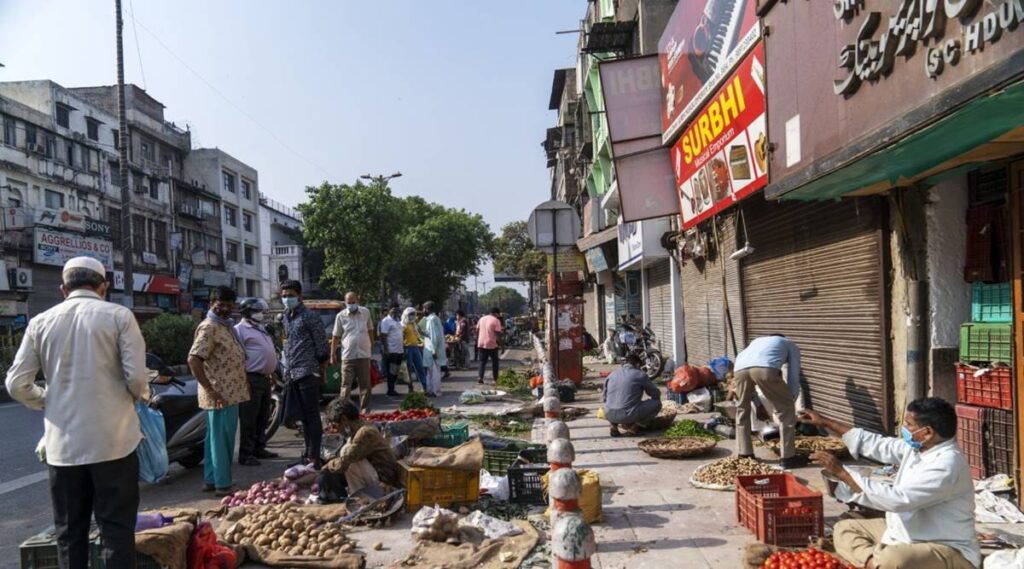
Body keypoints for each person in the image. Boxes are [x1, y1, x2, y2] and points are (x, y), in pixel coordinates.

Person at [4, 257, 148, 569]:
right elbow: (137, 379)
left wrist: (47, 400)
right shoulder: (119, 316)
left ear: (63, 289)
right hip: (114, 443)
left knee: (69, 534)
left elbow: (16, 384)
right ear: (104, 287)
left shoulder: (41, 322)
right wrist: (139, 396)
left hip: (63, 449)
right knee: (117, 531)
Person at [801, 399, 979, 569]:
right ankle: (874, 562)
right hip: (903, 534)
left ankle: (876, 561)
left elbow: (898, 500)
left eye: (909, 425)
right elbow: (876, 444)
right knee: (844, 528)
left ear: (928, 432)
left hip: (942, 546)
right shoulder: (919, 448)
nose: (904, 429)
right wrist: (825, 423)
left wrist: (842, 473)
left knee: (892, 559)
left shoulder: (947, 464)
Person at [188, 286, 250, 495]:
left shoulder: (225, 326)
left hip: (231, 393)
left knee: (214, 440)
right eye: (220, 305)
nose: (224, 308)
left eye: (228, 305)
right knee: (222, 441)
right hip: (220, 394)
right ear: (211, 305)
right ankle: (223, 484)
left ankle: (212, 479)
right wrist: (210, 389)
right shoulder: (210, 327)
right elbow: (194, 359)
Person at [733, 334, 805, 469]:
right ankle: (788, 457)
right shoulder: (790, 344)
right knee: (786, 411)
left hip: (739, 369)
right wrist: (790, 400)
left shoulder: (757, 342)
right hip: (765, 368)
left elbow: (750, 372)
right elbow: (793, 375)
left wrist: (758, 403)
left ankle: (745, 453)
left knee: (742, 409)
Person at [280, 280, 329, 468]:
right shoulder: (285, 317)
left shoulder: (309, 317)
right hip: (292, 373)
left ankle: (314, 457)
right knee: (301, 417)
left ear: (299, 295)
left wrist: (321, 370)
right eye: (284, 296)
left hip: (308, 372)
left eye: (290, 295)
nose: (287, 299)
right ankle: (308, 454)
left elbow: (322, 346)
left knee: (312, 415)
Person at [320, 399, 401, 498]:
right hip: (376, 474)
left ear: (344, 420)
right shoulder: (359, 429)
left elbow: (345, 462)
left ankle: (363, 497)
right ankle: (360, 495)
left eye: (335, 426)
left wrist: (328, 465)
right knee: (345, 452)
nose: (335, 430)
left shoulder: (364, 433)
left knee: (349, 459)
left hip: (384, 480)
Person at [235, 298, 280, 466]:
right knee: (249, 418)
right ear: (247, 312)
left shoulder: (260, 329)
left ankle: (259, 448)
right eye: (257, 311)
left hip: (264, 378)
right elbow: (238, 357)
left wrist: (272, 371)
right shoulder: (239, 330)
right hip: (250, 378)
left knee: (263, 416)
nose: (261, 314)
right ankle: (246, 453)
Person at [330, 291, 374, 411]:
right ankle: (344, 411)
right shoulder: (340, 316)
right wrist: (332, 354)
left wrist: (371, 345)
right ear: (345, 303)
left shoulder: (365, 312)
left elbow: (370, 329)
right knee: (345, 385)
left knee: (365, 385)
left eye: (353, 302)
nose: (351, 304)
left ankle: (365, 411)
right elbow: (336, 336)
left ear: (357, 301)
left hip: (364, 354)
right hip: (348, 355)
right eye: (349, 303)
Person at [603, 353, 663, 436]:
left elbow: (604, 398)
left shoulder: (612, 374)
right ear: (638, 364)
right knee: (657, 403)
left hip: (608, 413)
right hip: (627, 414)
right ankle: (633, 428)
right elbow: (654, 393)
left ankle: (613, 426)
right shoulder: (640, 375)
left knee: (613, 403)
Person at [418, 301, 447, 397]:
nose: (422, 310)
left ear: (427, 309)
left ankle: (436, 391)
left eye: (423, 308)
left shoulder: (433, 319)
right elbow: (430, 334)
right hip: (430, 349)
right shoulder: (430, 319)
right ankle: (430, 390)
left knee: (435, 372)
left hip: (432, 350)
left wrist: (434, 350)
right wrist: (421, 332)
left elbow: (434, 337)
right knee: (430, 371)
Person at [378, 303, 405, 397]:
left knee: (396, 371)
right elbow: (383, 336)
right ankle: (390, 390)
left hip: (399, 350)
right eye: (393, 309)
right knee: (391, 371)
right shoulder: (386, 321)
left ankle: (393, 389)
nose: (395, 311)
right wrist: (386, 349)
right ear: (389, 310)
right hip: (391, 350)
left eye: (397, 309)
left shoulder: (399, 321)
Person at [402, 307, 428, 393]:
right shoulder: (403, 325)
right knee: (408, 369)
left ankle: (424, 386)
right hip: (407, 349)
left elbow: (418, 335)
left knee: (420, 367)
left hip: (416, 348)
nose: (412, 316)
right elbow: (401, 338)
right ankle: (410, 387)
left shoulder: (414, 324)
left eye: (413, 314)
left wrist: (422, 342)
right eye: (410, 314)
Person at [476, 307, 503, 385]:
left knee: (482, 362)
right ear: (496, 313)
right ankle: (495, 379)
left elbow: (477, 330)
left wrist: (478, 339)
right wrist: (502, 346)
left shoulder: (481, 319)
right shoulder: (496, 320)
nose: (498, 316)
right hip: (492, 344)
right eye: (498, 314)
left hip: (481, 343)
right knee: (495, 362)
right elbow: (498, 334)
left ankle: (480, 377)